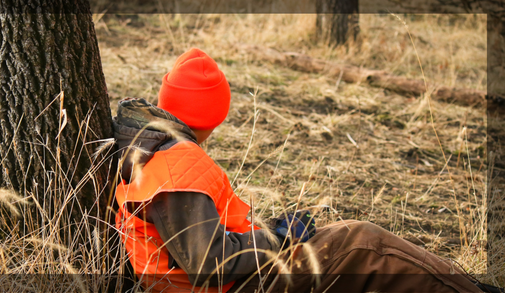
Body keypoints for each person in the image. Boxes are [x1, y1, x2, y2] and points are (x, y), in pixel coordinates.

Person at [113, 48, 493, 293]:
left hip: (237, 279)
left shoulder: (153, 153)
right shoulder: (179, 163)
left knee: (346, 241)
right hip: (235, 287)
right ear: (214, 117)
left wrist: (273, 232)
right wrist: (278, 239)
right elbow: (207, 264)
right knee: (361, 242)